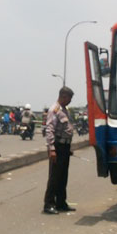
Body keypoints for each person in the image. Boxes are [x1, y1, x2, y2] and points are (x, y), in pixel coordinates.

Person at [43, 86, 75, 215]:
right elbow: (49, 130)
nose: (70, 101)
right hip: (57, 146)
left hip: (65, 147)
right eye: (69, 98)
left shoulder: (64, 110)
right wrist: (52, 149)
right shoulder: (54, 110)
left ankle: (61, 202)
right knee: (55, 177)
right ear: (63, 96)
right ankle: (49, 204)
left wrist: (68, 149)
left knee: (63, 176)